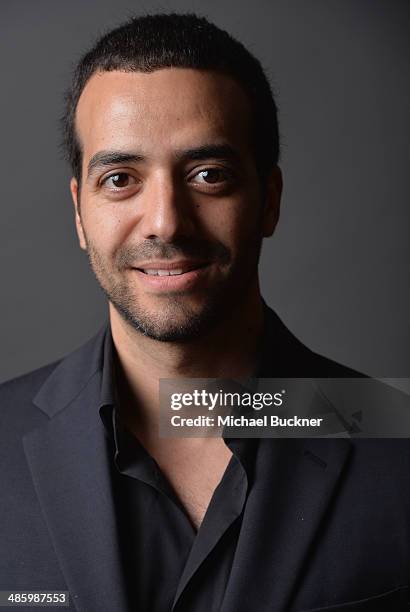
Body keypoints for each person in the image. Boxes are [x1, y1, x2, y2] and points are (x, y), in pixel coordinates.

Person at [1, 13, 409, 612]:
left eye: (209, 175)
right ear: (79, 214)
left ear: (269, 201)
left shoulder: (398, 440)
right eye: (120, 179)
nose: (166, 221)